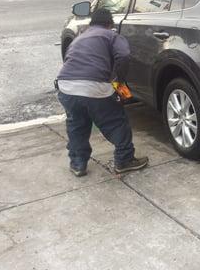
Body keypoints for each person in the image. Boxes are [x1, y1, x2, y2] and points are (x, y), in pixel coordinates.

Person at [56, 9, 148, 177]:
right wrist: (118, 80)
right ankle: (124, 160)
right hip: (94, 86)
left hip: (66, 87)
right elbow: (124, 55)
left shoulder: (79, 38)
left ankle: (78, 164)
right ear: (110, 24)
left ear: (92, 23)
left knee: (77, 125)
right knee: (116, 122)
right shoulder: (111, 35)